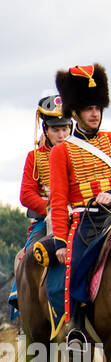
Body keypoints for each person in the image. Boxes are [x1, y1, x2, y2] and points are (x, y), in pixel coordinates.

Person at [43, 65, 111, 343]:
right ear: (75, 113)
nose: (95, 114)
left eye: (97, 108)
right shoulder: (61, 151)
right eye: (88, 108)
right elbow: (58, 200)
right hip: (86, 219)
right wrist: (60, 241)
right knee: (79, 264)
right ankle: (78, 325)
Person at [6, 95, 73, 323]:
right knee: (24, 256)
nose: (61, 135)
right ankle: (21, 295)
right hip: (47, 218)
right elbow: (26, 194)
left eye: (65, 129)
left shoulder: (79, 154)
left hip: (79, 214)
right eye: (56, 130)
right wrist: (50, 207)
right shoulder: (34, 158)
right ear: (46, 129)